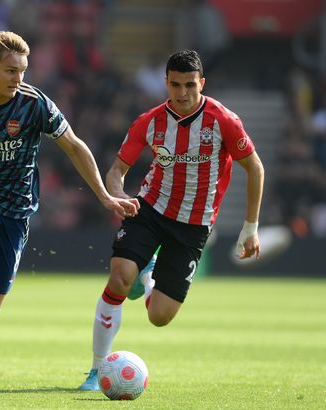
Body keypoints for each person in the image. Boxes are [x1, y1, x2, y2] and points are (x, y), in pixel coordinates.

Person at [0, 31, 139, 395]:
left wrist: (105, 196)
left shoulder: (35, 104)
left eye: (23, 71)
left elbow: (75, 147)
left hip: (14, 213)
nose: (19, 79)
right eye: (11, 70)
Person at [78, 50, 265, 390]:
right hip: (149, 210)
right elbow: (117, 170)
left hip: (194, 226)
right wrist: (118, 195)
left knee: (159, 317)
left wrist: (250, 227)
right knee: (119, 278)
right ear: (166, 83)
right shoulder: (149, 121)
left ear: (202, 83)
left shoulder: (223, 120)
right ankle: (95, 370)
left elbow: (255, 168)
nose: (182, 93)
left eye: (190, 85)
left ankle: (149, 274)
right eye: (175, 85)